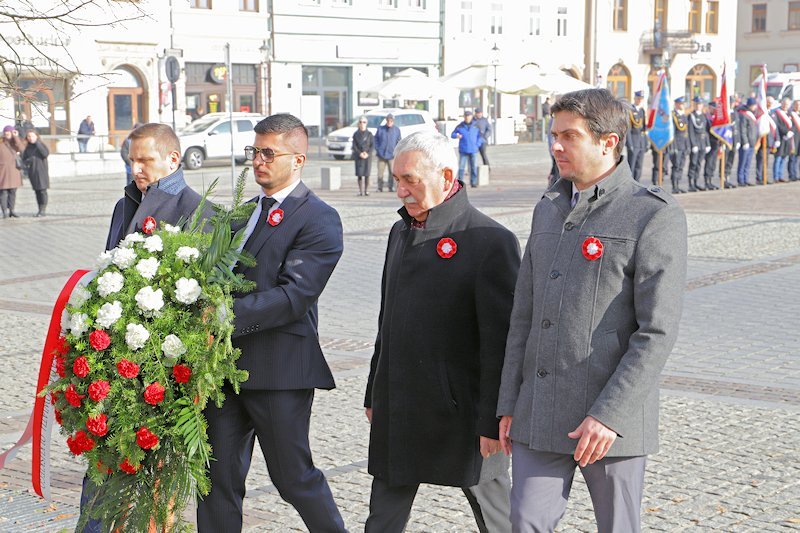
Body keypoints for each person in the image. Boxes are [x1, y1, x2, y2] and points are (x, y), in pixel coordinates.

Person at [497, 88, 688, 533]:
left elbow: (656, 330)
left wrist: (609, 415)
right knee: (525, 523)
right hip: (539, 411)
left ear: (609, 142)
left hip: (608, 422)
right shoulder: (548, 207)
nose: (556, 145)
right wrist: (509, 402)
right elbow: (522, 314)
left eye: (569, 136)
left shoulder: (651, 214)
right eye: (553, 135)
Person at [363, 130, 519, 533]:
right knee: (382, 517)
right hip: (399, 404)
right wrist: (373, 392)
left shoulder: (489, 240)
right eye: (396, 179)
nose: (400, 190)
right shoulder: (400, 232)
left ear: (447, 177)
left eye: (411, 179)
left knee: (497, 515)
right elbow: (387, 322)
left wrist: (493, 420)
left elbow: (499, 344)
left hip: (461, 410)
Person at [197, 113, 347, 533]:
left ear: (298, 158)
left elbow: (294, 296)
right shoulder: (243, 213)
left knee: (293, 479)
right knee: (216, 480)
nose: (258, 161)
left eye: (268, 153)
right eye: (254, 151)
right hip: (225, 369)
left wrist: (223, 315)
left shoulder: (318, 217)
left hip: (279, 369)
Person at [80, 122, 210, 531]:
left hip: (161, 366)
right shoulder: (125, 204)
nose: (136, 168)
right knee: (105, 466)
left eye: (145, 160)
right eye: (131, 159)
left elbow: (202, 295)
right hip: (115, 358)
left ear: (173, 159)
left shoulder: (196, 208)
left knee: (153, 482)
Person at [21, 129, 50, 217]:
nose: (30, 138)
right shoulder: (28, 147)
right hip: (33, 172)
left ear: (36, 136)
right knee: (37, 191)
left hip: (41, 172)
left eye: (32, 136)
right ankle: (39, 209)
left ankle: (43, 209)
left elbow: (45, 153)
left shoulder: (41, 145)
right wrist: (27, 161)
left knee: (42, 191)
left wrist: (37, 143)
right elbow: (24, 159)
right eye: (29, 136)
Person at [451, 110, 483, 187]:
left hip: (473, 150)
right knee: (461, 168)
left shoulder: (476, 126)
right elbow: (452, 134)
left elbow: (480, 137)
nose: (467, 117)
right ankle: (460, 183)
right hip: (463, 149)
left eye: (469, 116)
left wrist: (477, 145)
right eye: (466, 116)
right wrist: (456, 135)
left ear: (471, 117)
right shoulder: (460, 126)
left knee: (473, 167)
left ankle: (473, 182)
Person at [0, 125, 24, 218]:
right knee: (3, 192)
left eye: (9, 133)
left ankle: (12, 210)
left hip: (14, 171)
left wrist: (16, 137)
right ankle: (4, 211)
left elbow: (22, 149)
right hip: (2, 171)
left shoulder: (16, 143)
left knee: (13, 191)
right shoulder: (1, 143)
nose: (8, 135)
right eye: (6, 133)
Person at [687, 96, 710, 191]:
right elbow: (691, 131)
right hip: (695, 143)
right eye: (697, 104)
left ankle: (696, 182)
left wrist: (707, 143)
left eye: (700, 104)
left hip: (702, 143)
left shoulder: (703, 116)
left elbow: (705, 131)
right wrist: (693, 144)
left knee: (699, 163)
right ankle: (690, 183)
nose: (698, 106)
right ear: (694, 105)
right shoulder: (691, 116)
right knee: (693, 163)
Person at [374, 113, 401, 192]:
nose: (389, 122)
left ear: (393, 121)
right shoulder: (380, 129)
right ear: (386, 120)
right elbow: (375, 140)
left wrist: (396, 152)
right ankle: (379, 187)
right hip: (381, 155)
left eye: (391, 120)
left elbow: (399, 142)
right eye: (388, 120)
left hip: (391, 155)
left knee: (392, 173)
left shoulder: (397, 130)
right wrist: (378, 149)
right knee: (380, 173)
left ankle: (391, 187)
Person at [737, 97, 759, 186]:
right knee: (742, 162)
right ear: (750, 106)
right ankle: (741, 179)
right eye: (754, 105)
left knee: (748, 162)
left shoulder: (751, 114)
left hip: (752, 142)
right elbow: (743, 129)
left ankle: (746, 178)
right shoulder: (744, 114)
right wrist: (745, 141)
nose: (755, 107)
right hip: (746, 143)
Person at [626, 90, 647, 181]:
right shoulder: (630, 110)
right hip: (633, 142)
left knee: (639, 166)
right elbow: (628, 129)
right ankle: (630, 185)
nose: (639, 100)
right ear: (634, 98)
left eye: (641, 99)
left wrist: (645, 143)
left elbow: (644, 129)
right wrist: (629, 144)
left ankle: (637, 183)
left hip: (641, 143)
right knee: (632, 165)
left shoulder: (642, 111)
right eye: (638, 98)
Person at [669, 96, 689, 193]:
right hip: (676, 144)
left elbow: (686, 133)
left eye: (683, 104)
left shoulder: (683, 116)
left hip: (683, 145)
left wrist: (687, 145)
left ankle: (678, 184)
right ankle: (674, 185)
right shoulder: (673, 116)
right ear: (676, 104)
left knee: (681, 165)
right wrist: (674, 146)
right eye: (681, 104)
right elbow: (672, 133)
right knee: (676, 165)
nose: (682, 105)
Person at [772, 97, 794, 183]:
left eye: (787, 104)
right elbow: (777, 125)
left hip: (787, 139)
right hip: (780, 138)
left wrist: (790, 133)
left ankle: (781, 175)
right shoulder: (777, 113)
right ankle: (776, 177)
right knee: (778, 158)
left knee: (785, 157)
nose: (786, 106)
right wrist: (785, 132)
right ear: (781, 103)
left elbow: (792, 126)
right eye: (784, 104)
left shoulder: (789, 113)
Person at [353, 115, 374, 196]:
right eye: (361, 122)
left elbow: (372, 145)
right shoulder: (355, 134)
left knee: (367, 174)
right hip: (359, 156)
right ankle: (360, 191)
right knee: (359, 174)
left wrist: (367, 153)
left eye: (364, 122)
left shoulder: (369, 134)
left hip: (367, 156)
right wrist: (360, 153)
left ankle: (366, 190)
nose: (362, 124)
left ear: (366, 123)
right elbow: (354, 146)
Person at [702, 101, 720, 191]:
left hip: (716, 143)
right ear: (709, 108)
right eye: (714, 109)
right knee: (709, 162)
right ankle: (706, 181)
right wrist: (706, 144)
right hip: (709, 143)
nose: (715, 111)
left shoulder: (716, 118)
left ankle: (710, 180)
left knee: (713, 163)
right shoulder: (706, 117)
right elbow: (704, 132)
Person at [722, 97, 739, 188]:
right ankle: (723, 179)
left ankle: (727, 177)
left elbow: (737, 128)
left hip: (734, 140)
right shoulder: (724, 114)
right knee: (724, 160)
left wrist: (738, 141)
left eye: (733, 103)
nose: (732, 104)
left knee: (730, 161)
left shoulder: (735, 113)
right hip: (726, 140)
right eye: (730, 103)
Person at [788, 100, 800, 181]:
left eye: (799, 105)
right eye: (796, 105)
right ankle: (792, 175)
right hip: (794, 138)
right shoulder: (791, 114)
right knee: (793, 158)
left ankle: (797, 174)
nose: (798, 106)